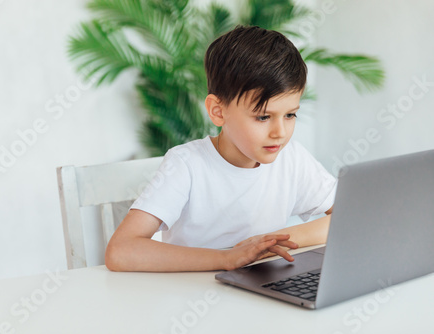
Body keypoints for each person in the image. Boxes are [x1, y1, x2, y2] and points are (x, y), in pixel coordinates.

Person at [105, 25, 336, 272]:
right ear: (218, 111)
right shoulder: (187, 165)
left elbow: (352, 217)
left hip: (261, 293)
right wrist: (227, 259)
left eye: (290, 115)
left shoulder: (292, 158)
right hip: (192, 297)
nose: (280, 132)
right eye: (262, 117)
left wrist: (272, 240)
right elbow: (120, 251)